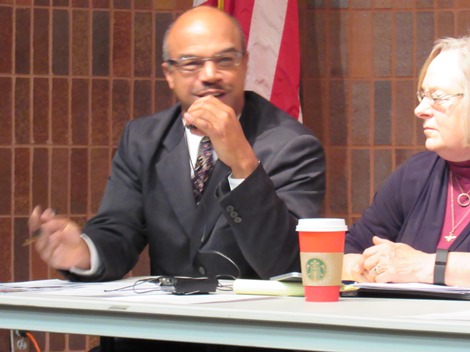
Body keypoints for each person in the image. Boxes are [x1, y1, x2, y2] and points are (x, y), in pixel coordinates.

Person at [28, 5, 325, 352]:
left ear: (245, 64)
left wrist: (243, 163)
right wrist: (81, 252)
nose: (210, 74)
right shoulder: (143, 139)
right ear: (169, 74)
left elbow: (287, 265)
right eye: (192, 63)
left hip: (249, 339)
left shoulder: (292, 145)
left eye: (225, 60)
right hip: (161, 336)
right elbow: (118, 231)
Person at [342, 35, 470, 288]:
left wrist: (423, 267)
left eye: (438, 96)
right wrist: (373, 266)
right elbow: (347, 252)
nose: (420, 109)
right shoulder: (416, 174)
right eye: (422, 95)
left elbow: (412, 266)